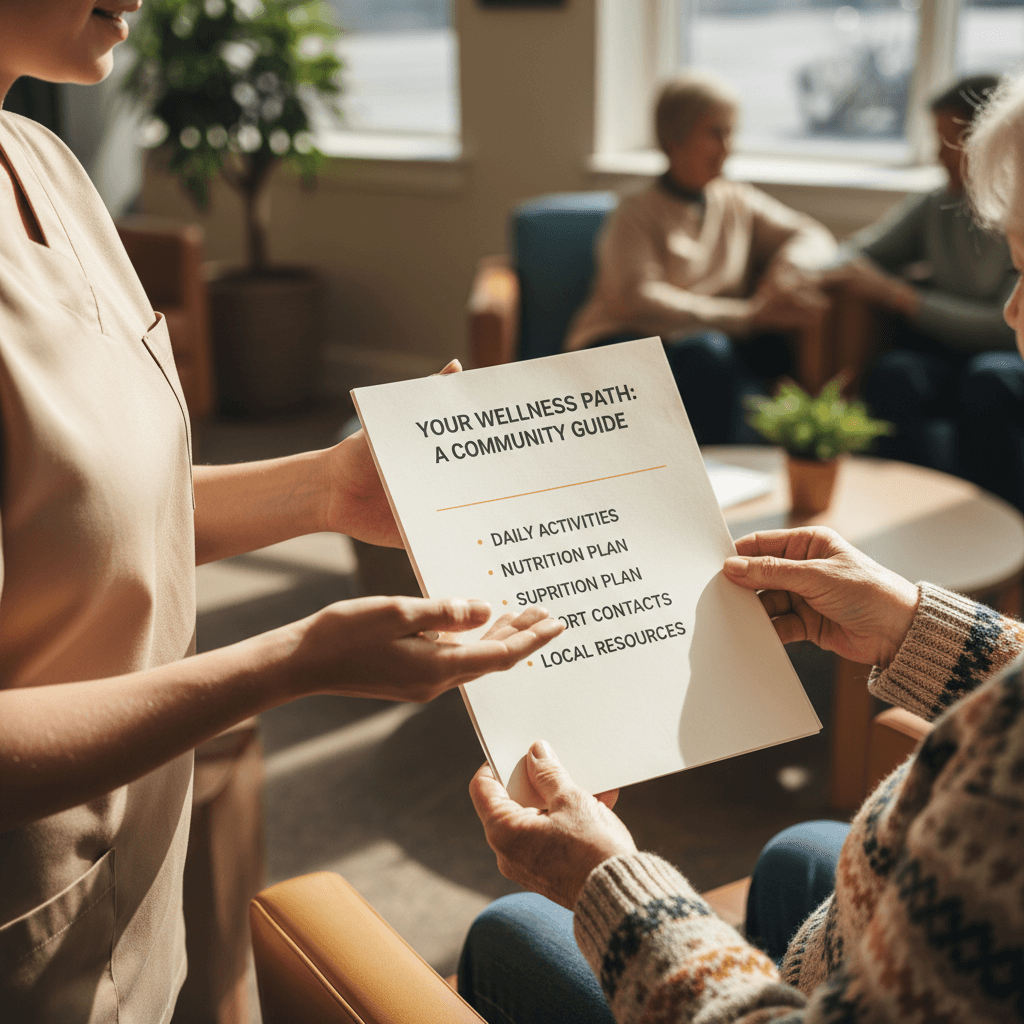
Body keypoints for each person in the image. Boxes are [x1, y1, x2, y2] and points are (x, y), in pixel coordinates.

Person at [0, 4, 564, 1019]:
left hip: (135, 859)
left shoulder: (43, 157)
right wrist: (294, 661)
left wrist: (322, 489)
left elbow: (89, 513)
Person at [459, 73, 1024, 1024]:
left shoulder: (1001, 796)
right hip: (623, 351)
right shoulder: (638, 213)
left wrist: (610, 881)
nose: (1012, 311)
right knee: (802, 845)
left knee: (507, 927)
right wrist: (917, 628)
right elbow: (641, 295)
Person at [565, 71, 836, 445]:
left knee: (752, 346)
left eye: (732, 132)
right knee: (707, 352)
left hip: (710, 345)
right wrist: (746, 316)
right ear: (674, 137)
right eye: (716, 133)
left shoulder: (736, 199)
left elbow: (812, 234)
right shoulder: (635, 212)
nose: (728, 147)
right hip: (625, 341)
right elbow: (639, 298)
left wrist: (789, 269)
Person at [825, 75, 1022, 507]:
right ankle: (903, 506)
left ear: (989, 146)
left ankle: (995, 517)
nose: (937, 155)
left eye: (950, 141)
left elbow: (1003, 325)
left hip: (1004, 356)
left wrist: (902, 297)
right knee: (895, 375)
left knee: (988, 378)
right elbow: (855, 253)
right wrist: (800, 271)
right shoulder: (936, 205)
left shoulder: (1017, 215)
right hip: (948, 353)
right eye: (937, 138)